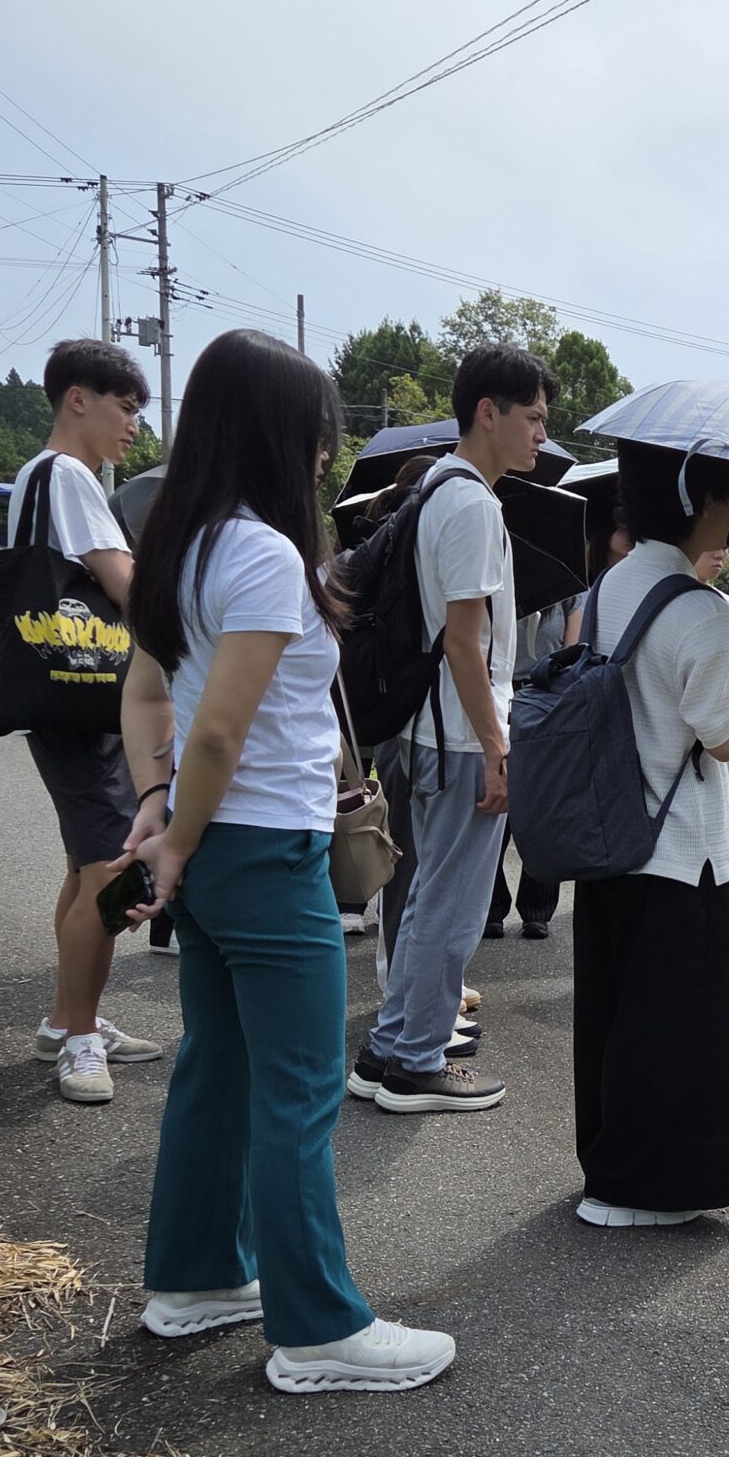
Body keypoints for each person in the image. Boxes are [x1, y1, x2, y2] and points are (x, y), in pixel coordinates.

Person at [115, 328, 453, 1395]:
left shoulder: (186, 542)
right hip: (265, 847)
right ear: (276, 434)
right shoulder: (263, 553)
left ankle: (195, 1279)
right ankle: (317, 1330)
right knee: (299, 1090)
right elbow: (216, 729)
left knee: (216, 1069)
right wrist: (174, 828)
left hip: (220, 847)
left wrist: (163, 814)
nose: (322, 456)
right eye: (316, 436)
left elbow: (147, 696)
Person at [572, 444, 729, 1226]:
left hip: (609, 832)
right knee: (680, 1028)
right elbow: (726, 734)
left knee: (615, 1014)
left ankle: (609, 1171)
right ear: (693, 501)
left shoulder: (610, 587)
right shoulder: (694, 607)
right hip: (681, 845)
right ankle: (646, 1192)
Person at [349, 345, 557, 1114]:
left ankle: (390, 1050)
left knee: (430, 894)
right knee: (452, 904)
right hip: (462, 737)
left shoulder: (436, 485)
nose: (540, 435)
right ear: (487, 413)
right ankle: (412, 1061)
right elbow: (466, 643)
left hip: (427, 731)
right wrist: (499, 750)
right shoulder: (471, 504)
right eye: (532, 419)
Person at [8, 338, 165, 1105]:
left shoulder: (37, 477)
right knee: (109, 871)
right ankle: (76, 1037)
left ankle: (69, 1020)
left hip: (62, 695)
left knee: (84, 866)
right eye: (125, 407)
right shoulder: (69, 476)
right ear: (79, 398)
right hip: (85, 698)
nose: (134, 426)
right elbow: (125, 584)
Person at [487, 581, 577, 943]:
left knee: (543, 807)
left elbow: (574, 651)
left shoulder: (569, 589)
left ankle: (537, 910)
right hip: (497, 694)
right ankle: (490, 907)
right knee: (494, 802)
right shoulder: (494, 582)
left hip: (545, 696)